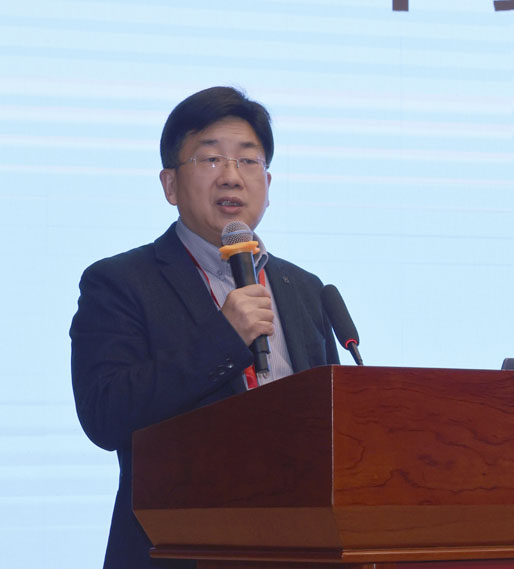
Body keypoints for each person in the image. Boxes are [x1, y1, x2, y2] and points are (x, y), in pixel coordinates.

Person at [70, 86, 340, 569]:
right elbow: (105, 415)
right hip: (177, 553)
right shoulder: (120, 282)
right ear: (170, 185)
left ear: (268, 182)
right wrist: (223, 338)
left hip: (301, 549)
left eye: (248, 161)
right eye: (211, 159)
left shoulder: (304, 288)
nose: (231, 176)